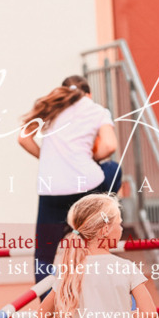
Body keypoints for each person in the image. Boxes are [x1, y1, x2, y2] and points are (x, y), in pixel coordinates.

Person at [19, 75, 122, 282]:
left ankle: (48, 311)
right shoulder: (97, 110)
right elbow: (110, 146)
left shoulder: (52, 107)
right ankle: (102, 214)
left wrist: (47, 159)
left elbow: (23, 138)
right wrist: (92, 158)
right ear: (89, 94)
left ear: (62, 91)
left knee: (44, 257)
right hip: (86, 187)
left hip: (52, 191)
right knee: (112, 168)